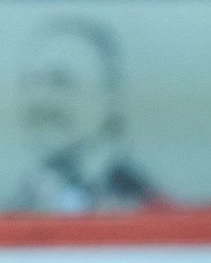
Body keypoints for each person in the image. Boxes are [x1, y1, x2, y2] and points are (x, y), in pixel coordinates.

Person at [12, 18, 164, 213]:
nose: (43, 101)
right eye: (32, 83)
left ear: (111, 95)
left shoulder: (150, 206)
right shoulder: (22, 201)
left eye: (61, 82)